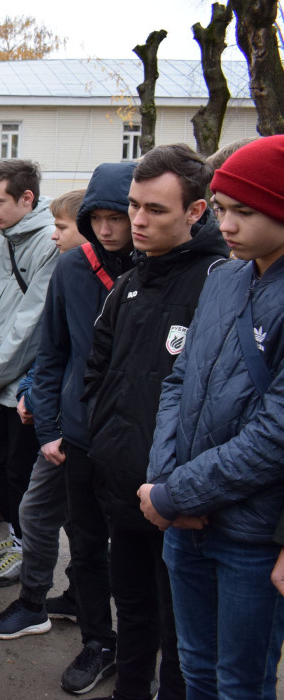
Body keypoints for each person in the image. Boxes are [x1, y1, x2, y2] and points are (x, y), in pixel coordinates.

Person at [0, 166, 136, 696]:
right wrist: (48, 423)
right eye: (98, 219)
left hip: (129, 443)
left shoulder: (166, 272)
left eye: (120, 216)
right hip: (72, 432)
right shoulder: (72, 268)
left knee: (127, 552)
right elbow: (52, 352)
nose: (108, 229)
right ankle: (85, 632)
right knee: (77, 536)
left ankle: (132, 647)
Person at [140, 135, 284, 699]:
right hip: (186, 521)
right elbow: (179, 380)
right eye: (222, 209)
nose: (226, 224)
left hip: (251, 533)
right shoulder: (224, 276)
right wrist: (163, 482)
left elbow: (274, 436)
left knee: (240, 684)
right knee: (194, 668)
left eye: (245, 211)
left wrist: (176, 494)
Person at [84, 144, 228, 700]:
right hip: (122, 489)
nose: (137, 221)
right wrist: (103, 444)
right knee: (134, 613)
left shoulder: (221, 282)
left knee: (183, 638)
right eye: (134, 205)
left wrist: (182, 486)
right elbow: (97, 371)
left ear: (196, 211)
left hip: (181, 503)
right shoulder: (131, 282)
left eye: (155, 209)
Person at [0, 159, 58, 586]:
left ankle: (28, 546)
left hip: (22, 382)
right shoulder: (4, 237)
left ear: (27, 198)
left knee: (19, 470)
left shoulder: (49, 241)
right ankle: (18, 535)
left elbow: (32, 321)